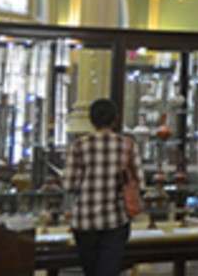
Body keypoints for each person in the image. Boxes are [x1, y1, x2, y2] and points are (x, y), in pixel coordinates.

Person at [62, 98, 144, 276]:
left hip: (84, 220)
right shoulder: (128, 145)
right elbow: (139, 180)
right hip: (116, 219)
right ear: (115, 118)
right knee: (109, 270)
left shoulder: (79, 146)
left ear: (91, 120)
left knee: (90, 271)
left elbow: (69, 185)